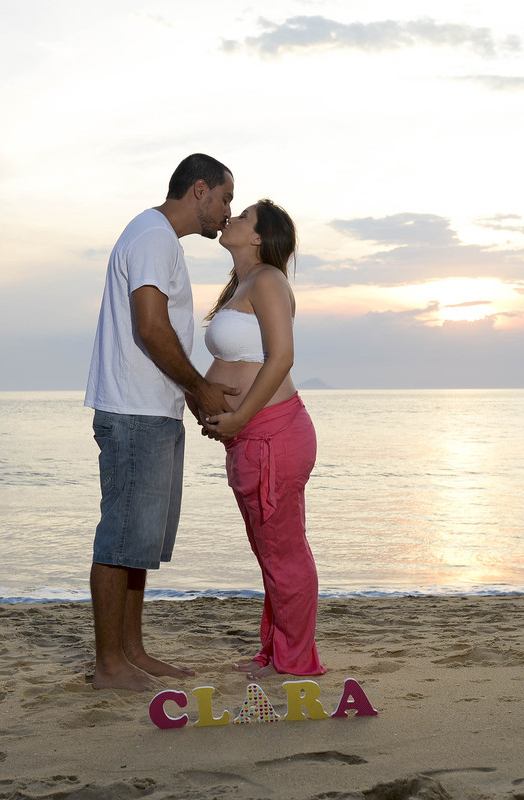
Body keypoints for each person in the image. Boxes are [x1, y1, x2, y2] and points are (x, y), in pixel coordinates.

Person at [84, 154, 238, 691]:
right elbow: (149, 327)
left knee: (139, 543)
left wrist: (188, 398)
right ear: (200, 190)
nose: (226, 212)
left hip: (152, 409)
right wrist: (199, 389)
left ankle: (132, 650)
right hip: (133, 411)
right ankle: (108, 665)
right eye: (224, 199)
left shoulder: (158, 238)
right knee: (120, 539)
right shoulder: (151, 236)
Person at [201, 199, 327, 679]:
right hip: (251, 437)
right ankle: (277, 651)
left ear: (258, 236)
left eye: (245, 215)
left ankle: (295, 660)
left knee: (284, 550)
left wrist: (237, 419)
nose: (231, 217)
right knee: (269, 550)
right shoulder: (243, 284)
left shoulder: (269, 280)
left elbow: (281, 359)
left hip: (273, 432)